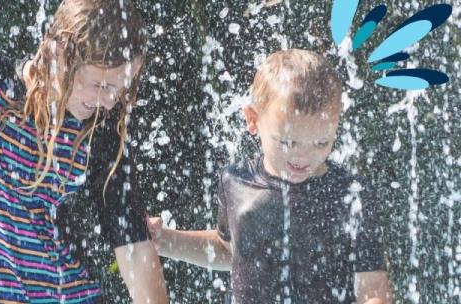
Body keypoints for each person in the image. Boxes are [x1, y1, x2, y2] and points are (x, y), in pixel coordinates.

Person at [0, 0, 168, 303]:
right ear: (59, 54)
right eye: (101, 86)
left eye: (120, 89)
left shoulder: (99, 128)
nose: (109, 102)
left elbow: (132, 242)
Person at [148, 49, 391, 303]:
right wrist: (166, 241)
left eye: (321, 142)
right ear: (253, 119)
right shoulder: (236, 181)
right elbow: (228, 249)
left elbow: (373, 288)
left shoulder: (350, 194)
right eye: (288, 142)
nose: (303, 156)